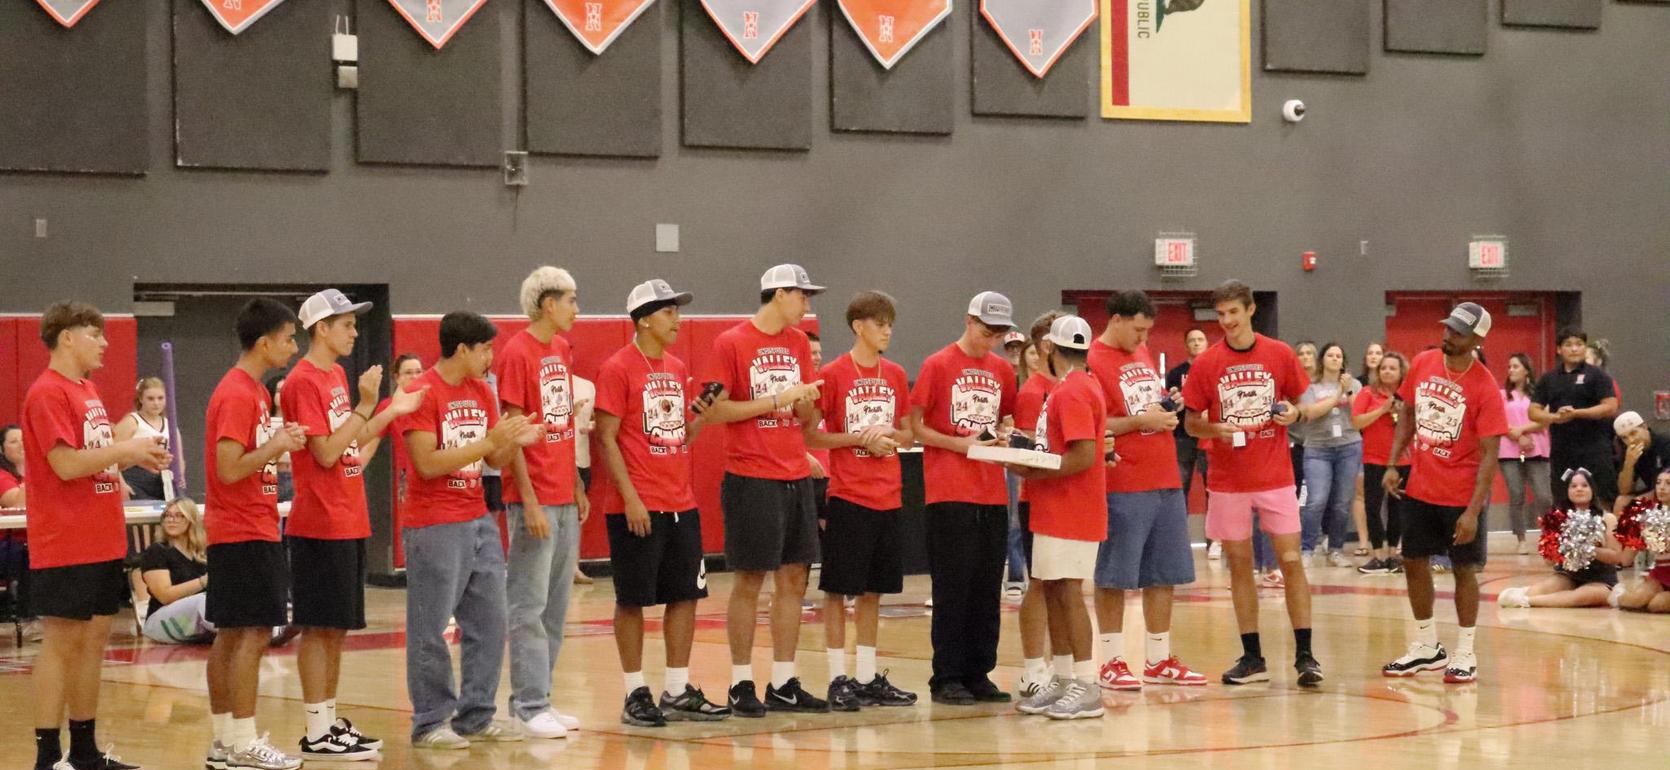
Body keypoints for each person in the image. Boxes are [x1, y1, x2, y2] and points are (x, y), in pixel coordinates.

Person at [26, 300, 171, 770]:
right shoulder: (47, 393)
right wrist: (124, 445)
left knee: (95, 640)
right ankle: (48, 756)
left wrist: (132, 456)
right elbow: (65, 465)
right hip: (66, 536)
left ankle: (84, 751)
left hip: (101, 532)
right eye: (95, 334)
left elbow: (94, 457)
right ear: (67, 337)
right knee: (61, 641)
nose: (105, 343)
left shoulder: (86, 389)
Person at [282, 289, 422, 760]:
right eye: (347, 324)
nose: (355, 332)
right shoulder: (301, 381)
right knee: (318, 627)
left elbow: (350, 439)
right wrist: (366, 405)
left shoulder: (337, 376)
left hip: (347, 516)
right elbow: (322, 452)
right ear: (321, 328)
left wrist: (386, 411)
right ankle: (315, 728)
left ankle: (329, 719)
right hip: (318, 521)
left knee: (337, 628)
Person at [398, 312, 541, 749]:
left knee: (489, 621)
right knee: (431, 625)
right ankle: (430, 720)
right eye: (485, 350)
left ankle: (476, 715)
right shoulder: (419, 391)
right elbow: (427, 463)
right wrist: (491, 439)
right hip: (434, 523)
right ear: (463, 349)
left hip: (479, 516)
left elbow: (493, 462)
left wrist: (516, 437)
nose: (490, 358)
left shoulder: (483, 391)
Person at [594, 279, 731, 727]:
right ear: (645, 319)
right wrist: (631, 498)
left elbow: (678, 435)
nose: (678, 320)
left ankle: (676, 688)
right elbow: (608, 439)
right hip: (638, 504)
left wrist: (698, 416)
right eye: (669, 312)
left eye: (677, 311)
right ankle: (636, 691)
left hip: (680, 501)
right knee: (632, 600)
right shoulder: (617, 368)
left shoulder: (674, 366)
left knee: (686, 595)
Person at [699, 265, 829, 716]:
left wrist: (808, 405)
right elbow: (715, 412)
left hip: (794, 473)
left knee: (795, 578)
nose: (808, 305)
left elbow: (806, 420)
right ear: (778, 295)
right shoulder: (731, 343)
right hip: (751, 476)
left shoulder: (798, 344)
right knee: (750, 579)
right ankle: (739, 682)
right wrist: (777, 399)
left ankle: (784, 681)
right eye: (802, 295)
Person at [1181, 281, 1320, 687]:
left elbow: (1302, 404)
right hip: (1227, 481)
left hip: (1275, 476)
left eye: (1233, 313)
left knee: (1291, 563)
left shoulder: (1279, 354)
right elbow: (1190, 423)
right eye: (1220, 314)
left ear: (1251, 310)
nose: (1226, 322)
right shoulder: (1207, 363)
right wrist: (1212, 427)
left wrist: (1292, 413)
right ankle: (1252, 657)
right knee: (1239, 566)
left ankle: (1306, 656)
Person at [201, 298, 313, 770]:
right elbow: (229, 469)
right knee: (250, 636)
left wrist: (273, 451)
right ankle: (244, 740)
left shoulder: (249, 392)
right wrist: (277, 444)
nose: (292, 347)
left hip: (242, 527)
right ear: (265, 342)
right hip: (244, 528)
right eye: (288, 338)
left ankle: (225, 741)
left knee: (230, 638)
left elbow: (243, 461)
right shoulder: (239, 393)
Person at [804, 290, 919, 711]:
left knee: (873, 592)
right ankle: (837, 677)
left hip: (888, 496)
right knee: (838, 590)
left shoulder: (894, 373)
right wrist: (858, 438)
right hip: (849, 495)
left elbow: (908, 433)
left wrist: (887, 438)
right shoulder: (834, 374)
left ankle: (868, 677)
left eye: (890, 324)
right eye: (879, 323)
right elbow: (811, 435)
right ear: (859, 327)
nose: (887, 331)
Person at [1379, 303, 1506, 685]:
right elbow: (1409, 414)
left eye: (1458, 332)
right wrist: (1391, 463)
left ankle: (1465, 651)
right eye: (1448, 329)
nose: (1448, 336)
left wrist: (1473, 511)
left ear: (1478, 339)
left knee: (1463, 570)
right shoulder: (1423, 362)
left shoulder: (1485, 387)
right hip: (1420, 486)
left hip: (1460, 496)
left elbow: (1489, 456)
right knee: (1413, 561)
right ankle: (1426, 646)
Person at [1086, 291, 1205, 692]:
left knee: (1164, 573)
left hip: (1165, 476)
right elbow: (1093, 424)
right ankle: (1111, 660)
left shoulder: (1140, 355)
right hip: (1123, 481)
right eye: (1138, 330)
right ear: (1116, 319)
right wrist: (1139, 421)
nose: (1143, 339)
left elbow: (1146, 409)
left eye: (1147, 332)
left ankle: (1158, 659)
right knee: (1115, 575)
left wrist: (1166, 405)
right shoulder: (1091, 361)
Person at [910, 291, 1018, 705]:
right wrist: (961, 445)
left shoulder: (1003, 371)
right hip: (949, 491)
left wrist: (1003, 438)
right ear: (969, 321)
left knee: (986, 587)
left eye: (998, 334)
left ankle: (979, 671)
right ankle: (947, 675)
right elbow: (916, 427)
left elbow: (1005, 418)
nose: (990, 340)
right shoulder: (937, 365)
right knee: (953, 586)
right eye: (986, 330)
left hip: (991, 492)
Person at [496, 267, 591, 739]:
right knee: (528, 605)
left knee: (556, 605)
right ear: (547, 303)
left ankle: (540, 698)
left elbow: (563, 425)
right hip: (532, 497)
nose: (577, 307)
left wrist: (574, 481)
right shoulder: (517, 352)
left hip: (562, 492)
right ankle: (528, 704)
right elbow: (514, 433)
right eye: (571, 299)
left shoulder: (561, 349)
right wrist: (528, 501)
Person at [1010, 316, 1107, 720]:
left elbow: (1083, 454)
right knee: (1054, 591)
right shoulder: (1079, 386)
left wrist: (1034, 468)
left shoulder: (1072, 391)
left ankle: (1087, 684)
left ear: (1051, 347)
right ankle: (1066, 680)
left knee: (1068, 592)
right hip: (1058, 508)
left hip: (1071, 507)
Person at [1011, 312, 1065, 701]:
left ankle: (1062, 667)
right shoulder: (1033, 392)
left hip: (1073, 499)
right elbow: (1029, 455)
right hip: (1041, 499)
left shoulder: (1079, 384)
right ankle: (1032, 668)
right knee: (1041, 583)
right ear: (1046, 344)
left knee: (1067, 586)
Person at [1497, 469, 1628, 609]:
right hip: (1568, 575)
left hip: (1601, 580)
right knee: (1544, 588)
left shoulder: (1607, 518)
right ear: (1567, 491)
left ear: (1592, 489)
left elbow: (1616, 557)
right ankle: (1528, 594)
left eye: (1584, 485)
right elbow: (1548, 562)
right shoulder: (1557, 519)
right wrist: (1563, 548)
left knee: (1582, 596)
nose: (1579, 489)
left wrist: (1588, 548)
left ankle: (1527, 601)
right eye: (1573, 486)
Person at [1531, 328, 1619, 506]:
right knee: (1563, 499)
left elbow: (1610, 407)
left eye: (1579, 344)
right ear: (1558, 349)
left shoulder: (1597, 376)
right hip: (1562, 451)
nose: (1574, 349)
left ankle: (1608, 532)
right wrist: (1555, 417)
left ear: (1585, 348)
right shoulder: (1549, 378)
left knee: (1604, 498)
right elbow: (1533, 411)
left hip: (1595, 450)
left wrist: (1577, 413)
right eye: (1568, 345)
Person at [1297, 343, 1363, 568]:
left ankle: (1335, 549)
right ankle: (1307, 548)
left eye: (1338, 356)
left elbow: (1358, 415)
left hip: (1349, 447)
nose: (1334, 359)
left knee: (1342, 503)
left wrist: (1349, 391)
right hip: (1318, 449)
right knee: (1316, 501)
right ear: (1322, 359)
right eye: (1330, 355)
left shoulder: (1354, 384)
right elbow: (1310, 413)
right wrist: (1338, 395)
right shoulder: (1309, 385)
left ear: (1343, 361)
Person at [1352, 352, 1410, 575]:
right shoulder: (1368, 393)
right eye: (1383, 368)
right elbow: (1357, 421)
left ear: (1401, 371)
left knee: (1398, 508)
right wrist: (1382, 410)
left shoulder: (1407, 395)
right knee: (1373, 507)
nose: (1386, 371)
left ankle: (1394, 554)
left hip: (1402, 459)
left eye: (1392, 368)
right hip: (1374, 459)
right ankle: (1377, 555)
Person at [137, 499, 213, 644]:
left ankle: (258, 631)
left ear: (191, 520)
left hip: (195, 621)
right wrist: (203, 581)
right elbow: (165, 596)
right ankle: (237, 632)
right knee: (205, 601)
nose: (172, 520)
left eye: (179, 515)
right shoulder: (157, 551)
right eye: (168, 515)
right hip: (160, 619)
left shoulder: (203, 552)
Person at [1500, 354, 1552, 555]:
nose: (1511, 370)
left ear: (1526, 370)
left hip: (1536, 448)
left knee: (1543, 495)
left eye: (1516, 366)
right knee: (1516, 494)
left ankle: (1549, 534)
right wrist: (1515, 435)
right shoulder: (1502, 395)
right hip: (1509, 450)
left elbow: (1545, 419)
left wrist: (1522, 430)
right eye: (1509, 366)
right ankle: (1520, 538)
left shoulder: (1539, 395)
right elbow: (1497, 419)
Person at [1166, 328, 1211, 557]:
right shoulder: (1176, 373)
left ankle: (1215, 542)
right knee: (1179, 488)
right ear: (1186, 345)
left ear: (1207, 343)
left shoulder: (1214, 368)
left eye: (1200, 339)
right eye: (1191, 340)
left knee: (1211, 488)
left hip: (1208, 436)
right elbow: (1169, 402)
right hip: (1182, 436)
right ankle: (1178, 541)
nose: (1196, 343)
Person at [1616, 468, 1670, 613]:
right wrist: (1633, 531)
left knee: (1657, 604)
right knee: (1630, 601)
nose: (1662, 487)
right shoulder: (1649, 516)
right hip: (1660, 575)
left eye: (1668, 483)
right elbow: (1625, 560)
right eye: (1658, 483)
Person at [114, 378, 173, 502]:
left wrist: (179, 480)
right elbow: (111, 454)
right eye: (150, 399)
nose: (156, 403)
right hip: (134, 478)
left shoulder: (170, 424)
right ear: (141, 399)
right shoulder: (132, 421)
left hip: (161, 480)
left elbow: (178, 458)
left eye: (160, 398)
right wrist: (121, 484)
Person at [1616, 411, 1670, 503]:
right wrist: (1629, 464)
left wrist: (1638, 501)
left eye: (1633, 433)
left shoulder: (1665, 444)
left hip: (1665, 490)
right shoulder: (1629, 451)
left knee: (1635, 504)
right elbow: (1624, 491)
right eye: (1624, 438)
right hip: (1654, 490)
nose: (1631, 440)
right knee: (1621, 502)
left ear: (1644, 427)